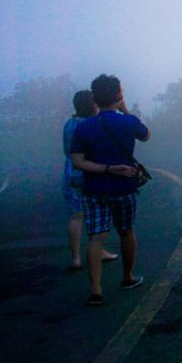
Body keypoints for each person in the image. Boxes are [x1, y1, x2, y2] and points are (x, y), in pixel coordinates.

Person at [69, 74, 151, 306]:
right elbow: (146, 135)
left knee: (96, 237)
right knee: (126, 230)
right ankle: (128, 277)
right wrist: (125, 109)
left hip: (94, 188)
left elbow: (77, 161)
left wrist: (106, 168)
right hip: (124, 187)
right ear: (119, 95)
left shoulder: (84, 127)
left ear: (95, 98)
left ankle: (96, 290)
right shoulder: (128, 121)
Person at [63, 90, 117, 270]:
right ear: (92, 105)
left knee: (75, 216)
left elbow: (66, 150)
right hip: (91, 171)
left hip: (71, 172)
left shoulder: (69, 124)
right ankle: (98, 251)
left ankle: (75, 257)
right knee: (98, 213)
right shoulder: (93, 125)